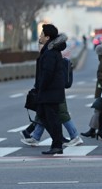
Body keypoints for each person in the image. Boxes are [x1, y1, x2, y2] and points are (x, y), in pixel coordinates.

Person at [35, 24, 67, 155]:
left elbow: (47, 74)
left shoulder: (50, 53)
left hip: (50, 92)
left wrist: (40, 88)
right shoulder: (52, 51)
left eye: (42, 34)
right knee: (44, 116)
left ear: (47, 37)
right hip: (51, 91)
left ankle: (57, 144)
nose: (40, 36)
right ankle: (57, 142)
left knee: (51, 118)